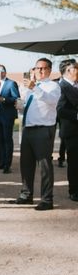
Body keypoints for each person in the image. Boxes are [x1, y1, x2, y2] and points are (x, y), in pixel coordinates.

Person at [10, 58, 61, 211]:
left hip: (43, 129)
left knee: (45, 165)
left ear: (49, 70)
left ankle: (47, 199)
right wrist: (20, 105)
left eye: (43, 68)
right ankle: (26, 194)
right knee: (26, 164)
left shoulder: (53, 86)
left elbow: (51, 101)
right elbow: (25, 104)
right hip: (28, 128)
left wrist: (35, 88)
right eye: (37, 68)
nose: (39, 71)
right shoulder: (31, 87)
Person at [0, 64, 20, 174]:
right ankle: (1, 162)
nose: (0, 73)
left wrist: (3, 99)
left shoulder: (11, 83)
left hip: (7, 115)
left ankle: (7, 165)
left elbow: (16, 98)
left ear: (5, 72)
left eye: (2, 71)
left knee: (7, 139)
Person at [57, 59, 78, 202]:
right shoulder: (60, 86)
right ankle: (74, 191)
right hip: (72, 131)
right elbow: (60, 109)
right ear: (69, 71)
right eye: (76, 68)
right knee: (75, 162)